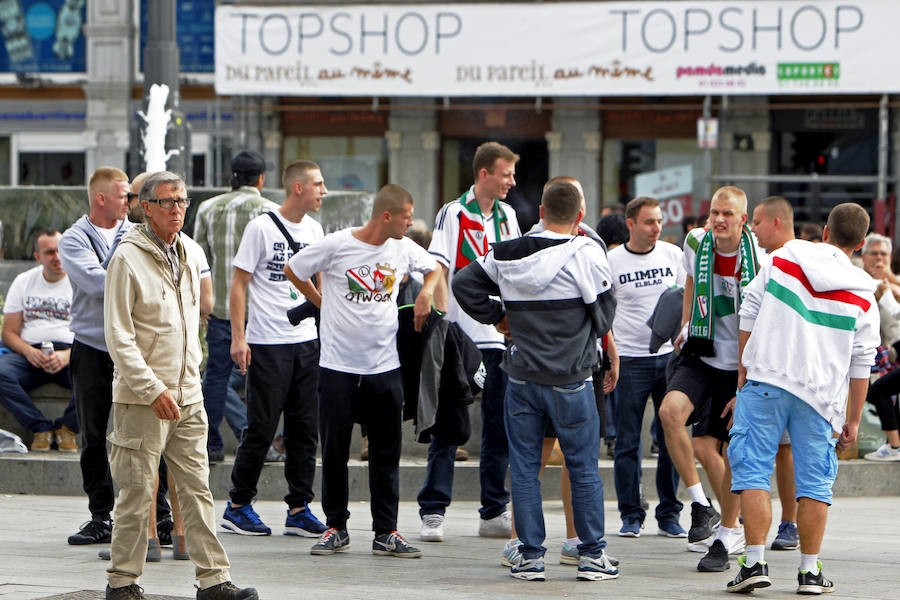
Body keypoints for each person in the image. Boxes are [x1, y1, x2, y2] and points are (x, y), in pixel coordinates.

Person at [452, 180, 618, 582]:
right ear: (579, 216)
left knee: (525, 469)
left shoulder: (506, 253)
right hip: (572, 379)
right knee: (582, 469)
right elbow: (605, 317)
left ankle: (529, 557)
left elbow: (462, 284)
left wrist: (499, 318)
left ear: (539, 212)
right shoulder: (586, 252)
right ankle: (593, 556)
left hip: (521, 378)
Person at [103, 170, 257, 600]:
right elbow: (119, 336)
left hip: (189, 395)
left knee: (198, 489)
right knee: (136, 493)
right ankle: (123, 583)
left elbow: (194, 322)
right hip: (141, 399)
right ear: (146, 207)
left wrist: (190, 382)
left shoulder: (190, 249)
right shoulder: (126, 257)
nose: (177, 209)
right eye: (168, 202)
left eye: (183, 202)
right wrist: (153, 389)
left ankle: (214, 580)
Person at [725, 203, 878, 594]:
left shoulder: (785, 256)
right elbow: (862, 363)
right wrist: (854, 419)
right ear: (860, 243)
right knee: (815, 485)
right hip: (820, 397)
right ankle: (809, 572)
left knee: (754, 473)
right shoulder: (864, 293)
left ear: (825, 232)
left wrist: (744, 367)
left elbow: (749, 308)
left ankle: (754, 563)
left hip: (766, 380)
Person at [285, 184, 438, 559]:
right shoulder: (338, 244)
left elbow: (434, 268)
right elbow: (295, 268)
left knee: (386, 453)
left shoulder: (402, 248)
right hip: (337, 366)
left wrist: (425, 293)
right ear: (386, 216)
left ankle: (386, 531)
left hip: (384, 367)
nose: (410, 222)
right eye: (406, 216)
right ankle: (335, 526)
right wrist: (321, 302)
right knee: (335, 451)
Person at [418, 141, 521, 542]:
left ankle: (493, 509)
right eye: (506, 174)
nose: (512, 182)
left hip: (498, 337)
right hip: (461, 338)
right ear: (484, 174)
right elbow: (439, 269)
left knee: (499, 426)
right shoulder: (454, 211)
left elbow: (514, 267)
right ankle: (433, 511)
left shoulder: (509, 215)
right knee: (449, 425)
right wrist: (445, 326)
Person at [220, 160, 328, 537]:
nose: (323, 191)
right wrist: (238, 336)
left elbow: (317, 283)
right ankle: (237, 505)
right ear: (297, 187)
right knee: (262, 427)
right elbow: (238, 284)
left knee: (304, 428)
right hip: (267, 342)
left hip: (306, 342)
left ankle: (299, 507)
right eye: (317, 184)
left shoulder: (315, 229)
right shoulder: (261, 227)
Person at [658, 186, 760, 572]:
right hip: (702, 351)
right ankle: (701, 504)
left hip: (739, 365)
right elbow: (688, 280)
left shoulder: (760, 261)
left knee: (731, 448)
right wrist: (686, 322)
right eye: (714, 212)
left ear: (743, 220)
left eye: (728, 214)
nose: (718, 220)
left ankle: (729, 531)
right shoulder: (696, 242)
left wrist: (750, 378)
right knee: (670, 413)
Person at [59, 167, 132, 545]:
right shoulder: (73, 239)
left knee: (144, 434)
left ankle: (160, 515)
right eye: (123, 195)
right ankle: (100, 515)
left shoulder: (133, 231)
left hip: (130, 348)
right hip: (90, 346)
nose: (129, 202)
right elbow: (95, 284)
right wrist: (133, 276)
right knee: (92, 435)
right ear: (100, 198)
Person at [193, 150, 279, 463]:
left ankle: (210, 443)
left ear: (231, 177)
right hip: (258, 311)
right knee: (260, 381)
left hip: (218, 309)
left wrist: (201, 306)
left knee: (215, 376)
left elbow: (199, 261)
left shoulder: (207, 208)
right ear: (261, 178)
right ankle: (258, 442)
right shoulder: (270, 211)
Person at [607, 197, 686, 539]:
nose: (656, 229)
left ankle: (669, 513)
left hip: (670, 358)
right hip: (630, 359)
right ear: (630, 224)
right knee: (627, 441)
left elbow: (688, 298)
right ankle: (631, 513)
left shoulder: (673, 255)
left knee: (673, 438)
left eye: (659, 222)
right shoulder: (611, 260)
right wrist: (611, 356)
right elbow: (604, 310)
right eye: (649, 222)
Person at [748, 196, 800, 551]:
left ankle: (790, 523)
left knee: (787, 452)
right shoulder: (764, 261)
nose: (753, 228)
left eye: (757, 221)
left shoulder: (798, 260)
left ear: (777, 222)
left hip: (794, 371)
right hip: (769, 369)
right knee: (771, 451)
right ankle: (760, 527)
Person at [0, 228, 78, 452]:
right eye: (50, 252)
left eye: (61, 250)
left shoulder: (81, 282)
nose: (57, 257)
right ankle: (40, 428)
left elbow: (96, 334)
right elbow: (9, 333)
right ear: (38, 257)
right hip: (29, 355)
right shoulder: (23, 281)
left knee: (101, 374)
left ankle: (67, 429)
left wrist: (67, 356)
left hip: (72, 354)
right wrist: (28, 352)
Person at [858, 233, 900, 461]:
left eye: (883, 254)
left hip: (893, 352)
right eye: (873, 253)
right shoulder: (856, 279)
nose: (878, 259)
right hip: (871, 353)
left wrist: (890, 283)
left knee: (881, 392)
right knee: (880, 393)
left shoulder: (893, 281)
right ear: (863, 256)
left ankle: (894, 446)